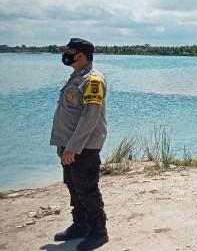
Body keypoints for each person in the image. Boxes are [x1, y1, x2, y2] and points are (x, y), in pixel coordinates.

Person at [51, 38, 109, 250]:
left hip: (84, 146)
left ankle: (98, 232)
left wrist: (74, 147)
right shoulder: (76, 77)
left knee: (87, 190)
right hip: (68, 145)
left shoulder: (93, 80)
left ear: (81, 55)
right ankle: (81, 225)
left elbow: (90, 117)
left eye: (70, 52)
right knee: (74, 187)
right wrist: (63, 145)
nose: (66, 55)